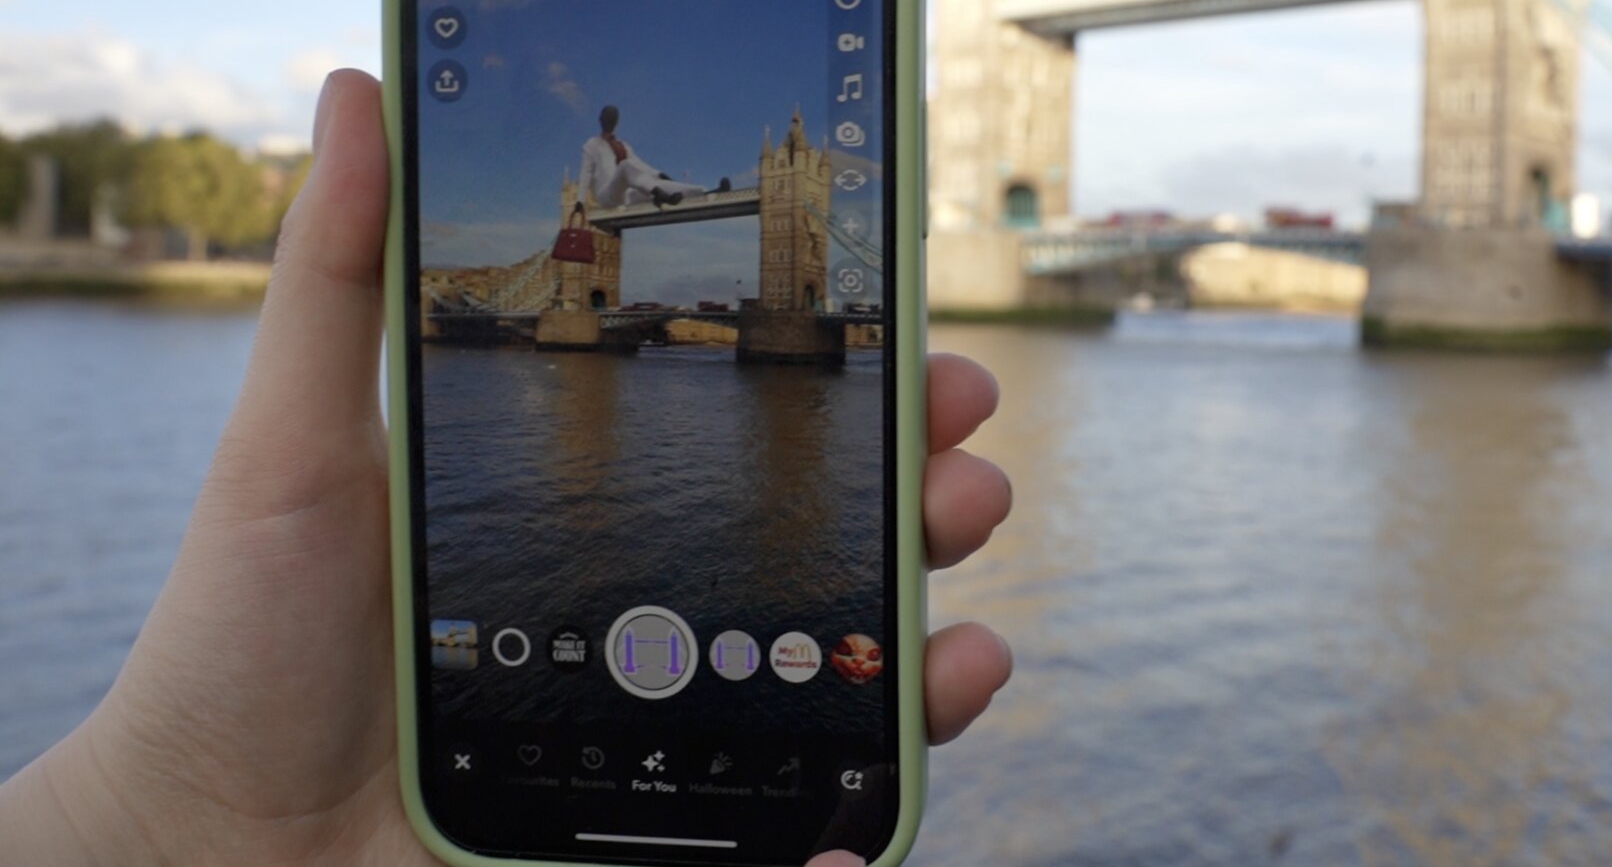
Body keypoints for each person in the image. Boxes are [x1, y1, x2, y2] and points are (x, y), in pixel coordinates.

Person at [0, 70, 1014, 867]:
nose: (612, 119)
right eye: (611, 114)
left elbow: (646, 176)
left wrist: (691, 190)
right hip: (595, 219)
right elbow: (619, 190)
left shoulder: (629, 153)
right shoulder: (593, 160)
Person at [580, 103, 730, 209]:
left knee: (662, 185)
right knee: (625, 166)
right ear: (600, 120)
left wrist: (658, 173)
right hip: (606, 195)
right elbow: (585, 172)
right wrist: (579, 201)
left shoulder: (624, 146)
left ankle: (707, 192)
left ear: (616, 123)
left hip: (627, 195)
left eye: (613, 118)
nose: (610, 121)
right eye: (608, 117)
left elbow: (639, 165)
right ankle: (659, 195)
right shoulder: (592, 144)